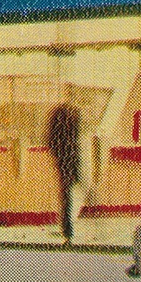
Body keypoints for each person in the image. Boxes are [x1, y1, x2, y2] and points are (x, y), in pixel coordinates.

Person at [47, 103, 81, 244]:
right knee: (69, 195)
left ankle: (67, 230)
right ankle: (68, 229)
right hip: (72, 160)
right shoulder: (72, 125)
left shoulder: (59, 126)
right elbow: (75, 145)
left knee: (66, 196)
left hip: (63, 161)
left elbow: (50, 142)